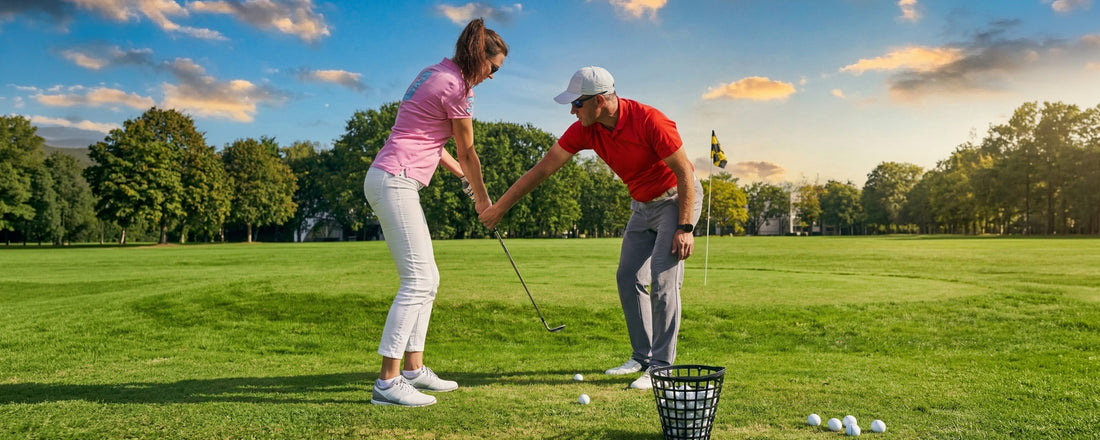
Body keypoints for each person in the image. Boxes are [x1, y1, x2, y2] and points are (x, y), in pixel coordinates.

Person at [478, 66, 703, 390]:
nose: (572, 110)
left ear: (599, 101)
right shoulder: (586, 129)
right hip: (642, 206)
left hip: (675, 200)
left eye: (577, 103)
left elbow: (684, 172)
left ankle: (661, 369)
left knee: (663, 280)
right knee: (627, 276)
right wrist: (499, 208)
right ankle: (641, 357)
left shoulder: (650, 120)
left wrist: (685, 227)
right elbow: (542, 170)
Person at [364, 18, 507, 407]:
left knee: (430, 278)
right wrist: (482, 198)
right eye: (493, 69)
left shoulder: (435, 72)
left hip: (391, 175)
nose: (493, 77)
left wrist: (462, 175)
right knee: (417, 280)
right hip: (396, 178)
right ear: (480, 58)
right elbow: (468, 149)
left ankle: (413, 370)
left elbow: (429, 138)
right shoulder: (458, 87)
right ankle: (387, 383)